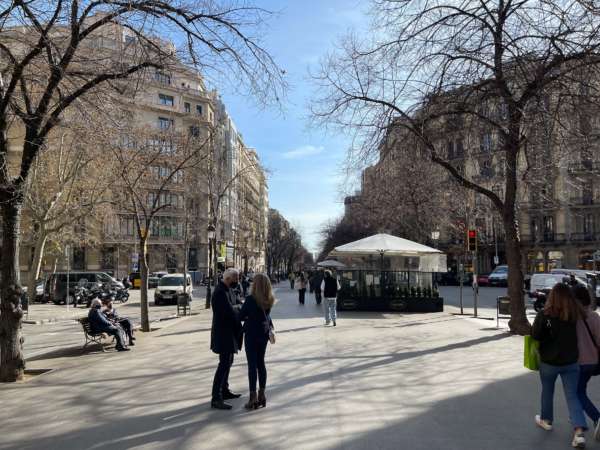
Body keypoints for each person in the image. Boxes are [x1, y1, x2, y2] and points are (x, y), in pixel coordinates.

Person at [532, 282, 587, 448]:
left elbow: (535, 334)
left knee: (547, 391)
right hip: (571, 361)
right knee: (572, 396)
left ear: (552, 296)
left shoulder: (544, 314)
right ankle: (578, 432)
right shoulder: (575, 314)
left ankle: (546, 419)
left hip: (549, 361)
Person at [239, 273, 275, 410]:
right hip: (264, 333)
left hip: (251, 335)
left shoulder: (250, 299)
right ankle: (262, 395)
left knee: (252, 365)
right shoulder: (269, 299)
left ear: (255, 285)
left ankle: (252, 398)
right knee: (261, 363)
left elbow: (241, 316)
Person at [210, 268, 243, 410]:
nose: (237, 283)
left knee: (228, 362)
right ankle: (216, 397)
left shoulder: (228, 289)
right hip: (223, 334)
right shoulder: (219, 292)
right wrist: (239, 306)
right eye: (235, 280)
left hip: (230, 333)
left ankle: (224, 390)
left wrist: (237, 306)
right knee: (223, 364)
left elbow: (236, 304)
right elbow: (229, 311)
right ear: (228, 279)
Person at [573, 284, 600, 440]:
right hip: (593, 362)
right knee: (579, 390)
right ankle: (576, 416)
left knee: (577, 393)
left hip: (577, 362)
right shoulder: (595, 317)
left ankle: (596, 417)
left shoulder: (571, 318)